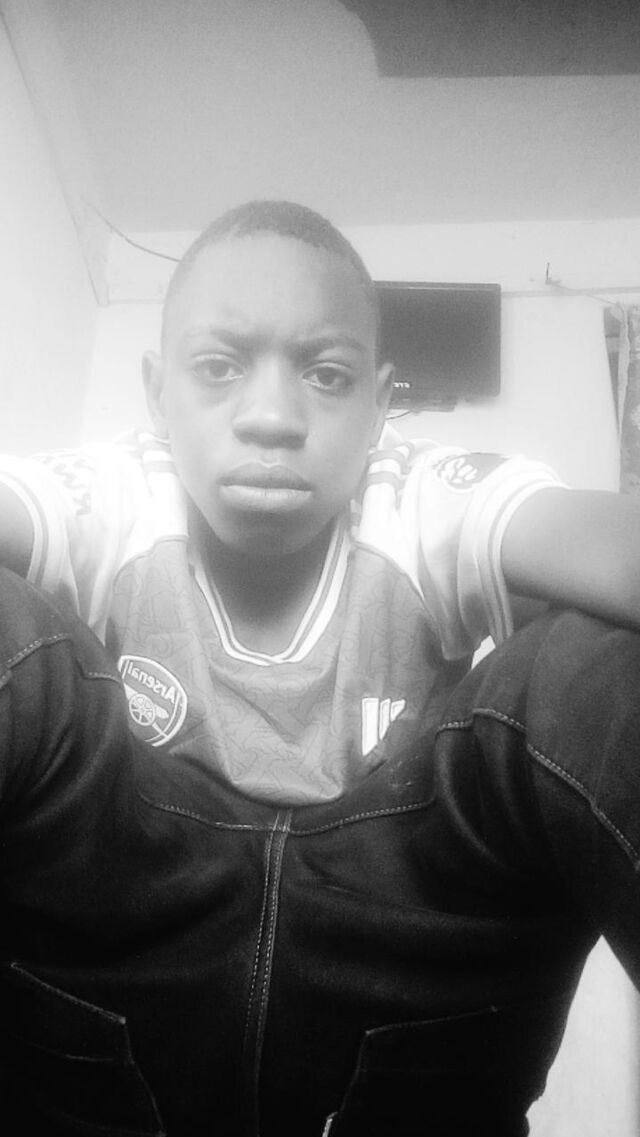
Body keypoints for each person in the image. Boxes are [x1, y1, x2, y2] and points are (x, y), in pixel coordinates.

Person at [0, 199, 639, 1137]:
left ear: (380, 408)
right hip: (130, 921)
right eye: (218, 368)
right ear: (158, 395)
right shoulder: (120, 491)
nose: (270, 417)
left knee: (582, 658)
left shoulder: (417, 497)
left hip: (399, 942)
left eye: (326, 374)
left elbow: (612, 552)